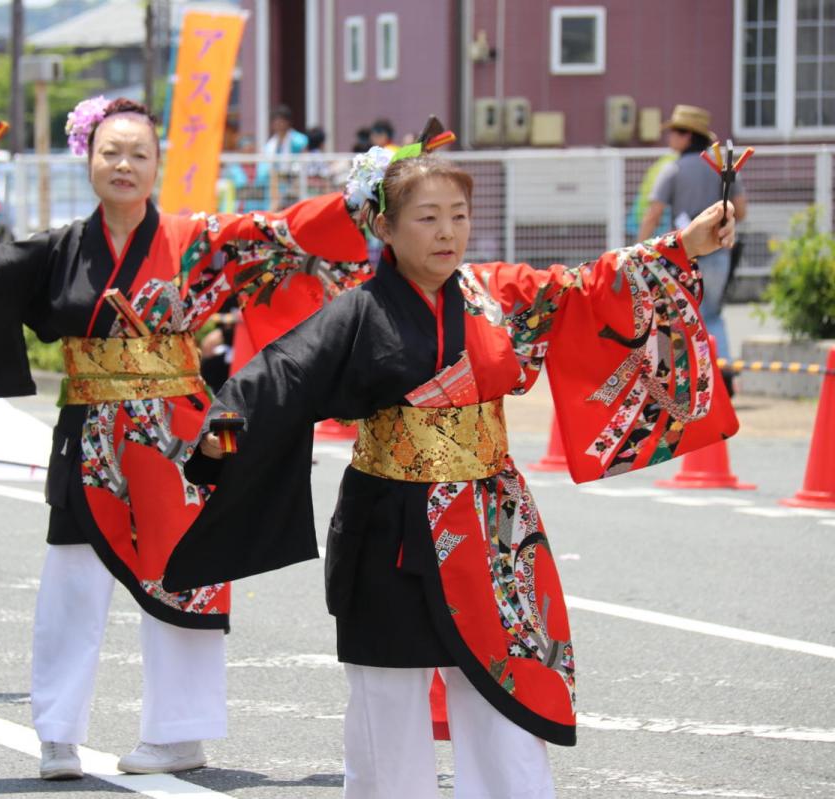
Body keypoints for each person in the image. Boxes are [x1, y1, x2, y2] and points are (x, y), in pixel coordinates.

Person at [164, 137, 739, 797]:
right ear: (383, 225)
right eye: (427, 216)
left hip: (493, 522)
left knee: (506, 690)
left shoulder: (498, 292)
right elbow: (278, 376)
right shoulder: (359, 311)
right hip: (388, 523)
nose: (447, 231)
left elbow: (586, 285)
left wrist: (684, 245)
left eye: (459, 215)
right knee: (388, 697)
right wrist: (221, 433)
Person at [0, 96, 371, 780]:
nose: (124, 165)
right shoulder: (60, 249)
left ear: (157, 165)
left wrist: (361, 202)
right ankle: (57, 731)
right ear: (88, 158)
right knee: (71, 583)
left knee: (184, 576)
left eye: (139, 153)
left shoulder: (197, 238)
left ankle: (180, 732)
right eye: (111, 151)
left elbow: (282, 231)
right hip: (87, 435)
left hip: (174, 436)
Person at [638, 104, 747, 361]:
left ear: (687, 135)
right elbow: (741, 211)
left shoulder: (673, 170)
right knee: (713, 314)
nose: (669, 137)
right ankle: (725, 375)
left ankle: (687, 381)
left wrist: (639, 249)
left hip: (682, 254)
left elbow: (653, 214)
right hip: (720, 249)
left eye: (674, 131)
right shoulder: (722, 168)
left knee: (679, 315)